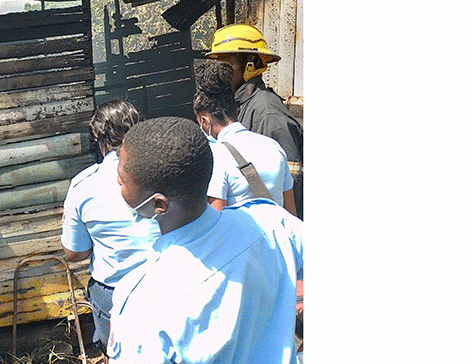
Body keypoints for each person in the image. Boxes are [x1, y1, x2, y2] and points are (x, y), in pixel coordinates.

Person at [107, 117, 303, 364]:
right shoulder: (273, 223)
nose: (117, 182)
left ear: (158, 204)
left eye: (122, 180)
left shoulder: (143, 300)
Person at [61, 99, 160, 351]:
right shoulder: (164, 172)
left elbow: (75, 253)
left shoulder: (83, 185)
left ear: (100, 140)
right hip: (164, 286)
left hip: (112, 297)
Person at [205, 24, 304, 219]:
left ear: (250, 65)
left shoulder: (267, 114)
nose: (220, 72)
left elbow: (293, 186)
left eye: (226, 64)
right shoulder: (238, 105)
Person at [193, 60, 297, 216]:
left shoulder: (216, 156)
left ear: (204, 121)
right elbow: (291, 214)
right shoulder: (273, 146)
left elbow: (217, 224)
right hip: (275, 238)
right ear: (235, 110)